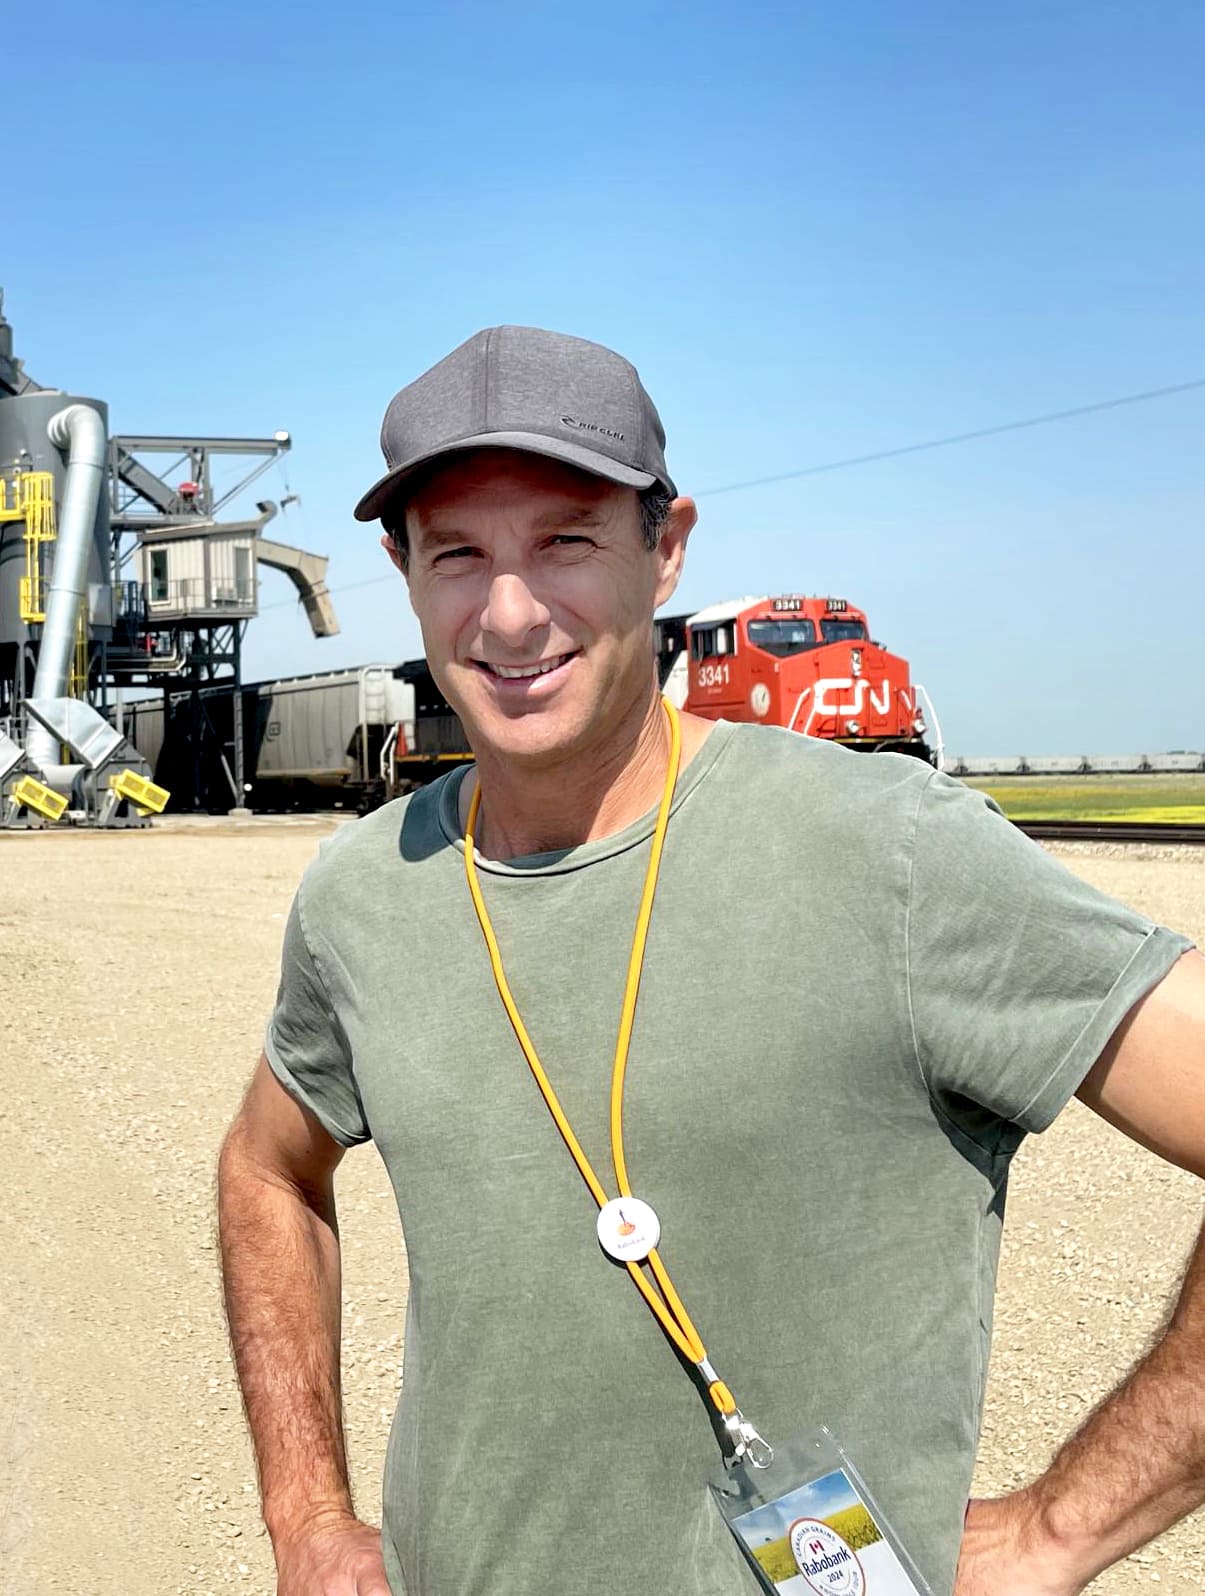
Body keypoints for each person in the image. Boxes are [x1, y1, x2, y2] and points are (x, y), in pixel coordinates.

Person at [217, 326, 1204, 1596]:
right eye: (459, 552)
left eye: (565, 540)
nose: (510, 613)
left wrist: (1065, 1524)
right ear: (402, 570)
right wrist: (306, 1514)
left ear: (664, 547)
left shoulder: (887, 855)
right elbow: (264, 1168)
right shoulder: (364, 893)